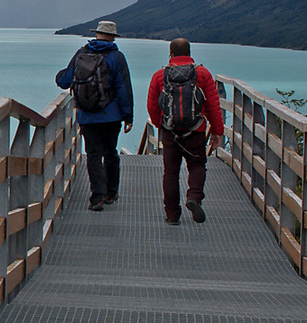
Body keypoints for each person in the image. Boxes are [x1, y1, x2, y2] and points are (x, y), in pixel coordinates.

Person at [56, 20, 134, 210]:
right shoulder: (117, 57)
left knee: (93, 155)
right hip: (111, 116)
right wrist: (128, 116)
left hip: (87, 116)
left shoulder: (82, 54)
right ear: (113, 37)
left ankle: (96, 198)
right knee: (110, 153)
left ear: (96, 34)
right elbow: (123, 89)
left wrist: (59, 75)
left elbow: (65, 81)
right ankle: (111, 192)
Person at [146, 37, 223, 224]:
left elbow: (152, 105)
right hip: (195, 131)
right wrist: (217, 131)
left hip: (170, 131)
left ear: (170, 53)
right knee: (196, 165)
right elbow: (213, 104)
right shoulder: (203, 74)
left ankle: (172, 215)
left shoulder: (159, 75)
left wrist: (160, 125)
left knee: (170, 172)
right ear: (189, 53)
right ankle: (194, 198)